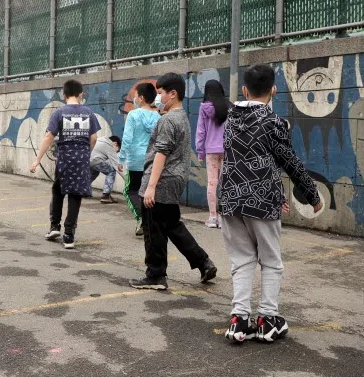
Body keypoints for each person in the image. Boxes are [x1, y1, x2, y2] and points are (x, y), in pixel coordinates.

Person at [219, 64, 322, 343]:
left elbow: (246, 159)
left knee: (241, 260)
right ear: (274, 89)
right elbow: (288, 161)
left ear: (244, 90)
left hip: (228, 197)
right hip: (261, 200)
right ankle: (267, 318)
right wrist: (312, 194)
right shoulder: (274, 121)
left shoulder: (229, 119)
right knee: (271, 261)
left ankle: (239, 320)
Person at [130, 72, 217, 291]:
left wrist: (150, 187)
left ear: (173, 94)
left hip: (161, 179)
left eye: (160, 94)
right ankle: (203, 262)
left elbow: (161, 153)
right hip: (175, 178)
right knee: (171, 225)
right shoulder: (182, 117)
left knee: (153, 229)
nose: (157, 98)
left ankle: (155, 275)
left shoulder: (168, 120)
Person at [30, 79, 100, 249]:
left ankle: (55, 226)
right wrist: (85, 153)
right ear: (81, 94)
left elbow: (49, 136)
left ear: (64, 94)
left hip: (65, 160)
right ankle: (69, 235)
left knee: (58, 191)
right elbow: (94, 138)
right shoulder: (89, 113)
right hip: (82, 159)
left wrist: (37, 159)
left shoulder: (59, 113)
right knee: (75, 195)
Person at [120, 82, 160, 236]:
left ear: (141, 98)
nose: (134, 98)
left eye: (136, 96)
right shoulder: (157, 116)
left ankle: (141, 218)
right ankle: (150, 222)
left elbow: (127, 138)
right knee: (148, 192)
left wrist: (121, 158)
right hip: (152, 160)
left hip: (135, 160)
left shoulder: (133, 115)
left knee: (130, 190)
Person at [195, 79, 229, 228]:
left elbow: (201, 131)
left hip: (211, 151)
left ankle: (212, 217)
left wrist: (200, 151)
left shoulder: (204, 108)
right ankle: (223, 217)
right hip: (227, 150)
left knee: (212, 183)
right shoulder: (229, 106)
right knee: (225, 183)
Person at [90, 135, 122, 203]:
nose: (116, 152)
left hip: (88, 161)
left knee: (94, 172)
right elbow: (117, 166)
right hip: (96, 160)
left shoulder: (100, 139)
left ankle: (83, 191)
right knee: (111, 170)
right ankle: (106, 195)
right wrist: (129, 182)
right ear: (115, 144)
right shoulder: (109, 145)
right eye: (117, 150)